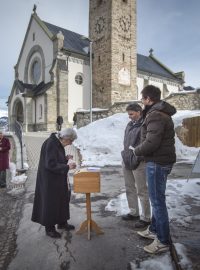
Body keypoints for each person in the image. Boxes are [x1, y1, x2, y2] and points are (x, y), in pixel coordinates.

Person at [134, 85, 176, 254]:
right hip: (159, 161)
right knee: (156, 199)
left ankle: (163, 241)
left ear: (149, 99)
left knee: (158, 202)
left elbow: (152, 142)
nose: (142, 101)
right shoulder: (158, 112)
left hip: (157, 163)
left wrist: (136, 150)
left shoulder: (156, 115)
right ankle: (154, 230)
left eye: (143, 98)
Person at [31, 128, 77, 238]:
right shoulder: (51, 144)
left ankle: (62, 223)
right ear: (65, 138)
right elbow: (50, 164)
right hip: (49, 180)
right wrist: (67, 166)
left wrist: (65, 159)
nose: (71, 143)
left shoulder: (57, 142)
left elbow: (55, 159)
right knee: (50, 203)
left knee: (62, 199)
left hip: (57, 178)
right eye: (71, 141)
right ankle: (49, 229)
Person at [121, 103, 151, 228]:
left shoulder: (145, 124)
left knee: (142, 190)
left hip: (139, 161)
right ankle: (134, 212)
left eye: (131, 114)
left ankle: (146, 218)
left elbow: (145, 143)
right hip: (127, 159)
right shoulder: (129, 124)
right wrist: (125, 156)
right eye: (128, 114)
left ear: (139, 112)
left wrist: (138, 158)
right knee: (129, 188)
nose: (129, 117)